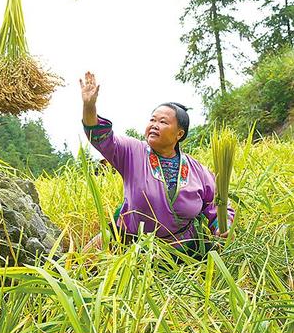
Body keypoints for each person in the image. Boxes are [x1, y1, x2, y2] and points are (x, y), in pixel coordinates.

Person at [80, 72, 234, 256]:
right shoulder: (132, 152)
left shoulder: (197, 170)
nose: (154, 124)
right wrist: (89, 107)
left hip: (184, 252)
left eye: (163, 122)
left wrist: (223, 227)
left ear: (179, 134)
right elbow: (101, 138)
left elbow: (215, 205)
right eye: (152, 119)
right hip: (132, 249)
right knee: (78, 269)